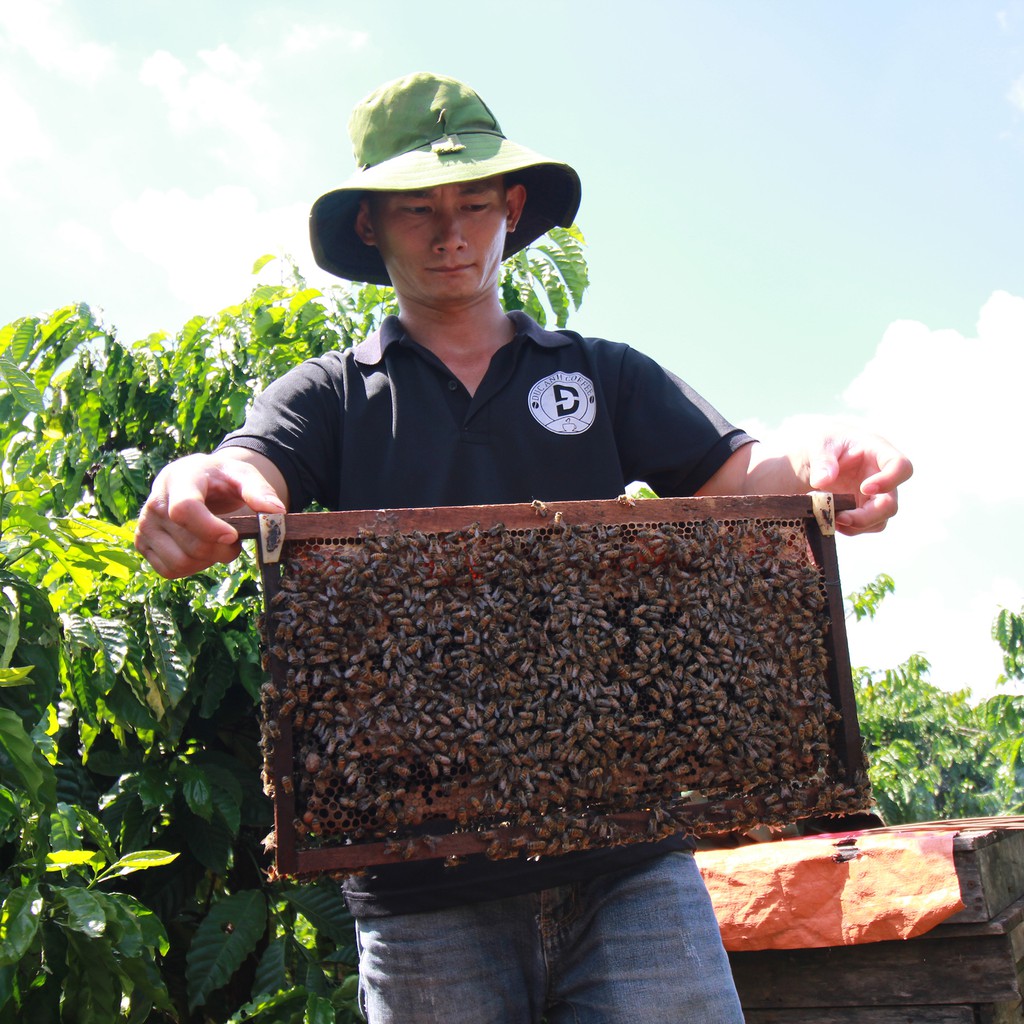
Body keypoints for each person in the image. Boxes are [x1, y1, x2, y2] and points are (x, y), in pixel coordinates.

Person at [135, 72, 912, 1024]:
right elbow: (253, 476)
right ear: (371, 227)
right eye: (417, 209)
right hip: (423, 892)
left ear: (512, 210)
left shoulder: (605, 375)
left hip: (630, 865)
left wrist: (822, 454)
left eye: (471, 204)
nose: (450, 232)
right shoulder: (327, 397)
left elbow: (742, 479)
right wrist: (200, 485)